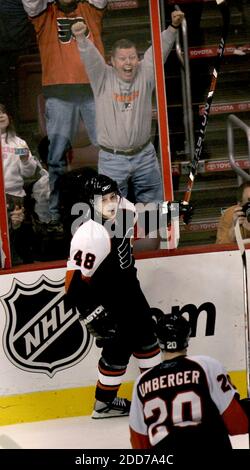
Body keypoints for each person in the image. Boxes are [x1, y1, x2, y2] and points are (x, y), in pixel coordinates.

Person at [65, 173, 162, 418]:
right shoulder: (89, 235)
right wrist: (89, 313)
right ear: (90, 202)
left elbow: (147, 215)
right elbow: (73, 285)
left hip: (130, 287)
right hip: (107, 295)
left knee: (146, 340)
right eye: (103, 200)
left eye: (113, 197)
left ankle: (152, 397)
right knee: (119, 347)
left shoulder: (124, 207)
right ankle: (107, 403)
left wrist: (176, 211)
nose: (110, 204)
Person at [71, 10, 185, 205]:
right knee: (113, 215)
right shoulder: (102, 77)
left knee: (153, 212)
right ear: (112, 62)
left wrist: (173, 28)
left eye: (132, 57)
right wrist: (81, 37)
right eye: (122, 59)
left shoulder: (145, 73)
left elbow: (159, 51)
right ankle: (120, 236)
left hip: (145, 156)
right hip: (112, 160)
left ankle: (152, 235)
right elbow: (91, 59)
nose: (128, 63)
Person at [21, 0, 108, 231]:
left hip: (93, 91)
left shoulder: (90, 8)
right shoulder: (44, 13)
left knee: (110, 151)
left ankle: (113, 206)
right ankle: (56, 212)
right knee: (57, 156)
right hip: (58, 94)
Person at [129, 313, 249, 454]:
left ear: (159, 340)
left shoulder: (141, 382)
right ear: (187, 337)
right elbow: (238, 426)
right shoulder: (208, 366)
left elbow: (139, 444)